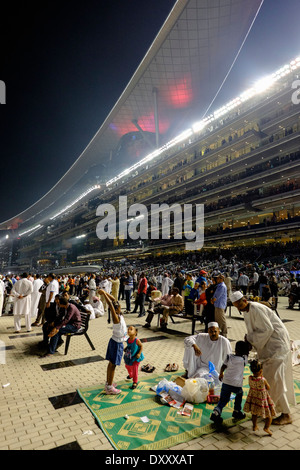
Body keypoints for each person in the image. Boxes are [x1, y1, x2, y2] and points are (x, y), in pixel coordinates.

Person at [230, 290, 295, 425]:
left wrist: (249, 340)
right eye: (236, 307)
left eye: (239, 306)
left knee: (275, 381)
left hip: (277, 347)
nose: (239, 309)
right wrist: (249, 339)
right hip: (269, 348)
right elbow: (254, 331)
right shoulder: (247, 311)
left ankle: (286, 414)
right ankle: (270, 410)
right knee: (271, 380)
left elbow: (267, 330)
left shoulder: (256, 309)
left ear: (244, 301)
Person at [210, 340, 250, 425]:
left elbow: (223, 366)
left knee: (223, 399)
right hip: (236, 384)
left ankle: (216, 412)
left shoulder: (229, 357)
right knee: (239, 394)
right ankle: (237, 411)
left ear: (235, 349)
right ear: (245, 352)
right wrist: (247, 340)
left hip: (226, 382)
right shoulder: (244, 359)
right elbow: (247, 352)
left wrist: (221, 374)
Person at [99, 289, 127, 395]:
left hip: (115, 342)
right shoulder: (116, 318)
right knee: (113, 365)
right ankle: (110, 387)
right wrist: (104, 295)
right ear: (116, 310)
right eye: (119, 307)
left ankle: (108, 383)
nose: (120, 308)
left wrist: (104, 293)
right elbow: (111, 304)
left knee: (111, 364)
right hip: (116, 344)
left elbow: (113, 300)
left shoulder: (120, 315)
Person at [243, 359, 276, 436]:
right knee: (269, 415)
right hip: (262, 399)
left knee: (254, 413)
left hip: (254, 398)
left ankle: (255, 426)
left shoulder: (250, 378)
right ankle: (266, 428)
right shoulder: (263, 380)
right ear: (261, 371)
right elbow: (268, 387)